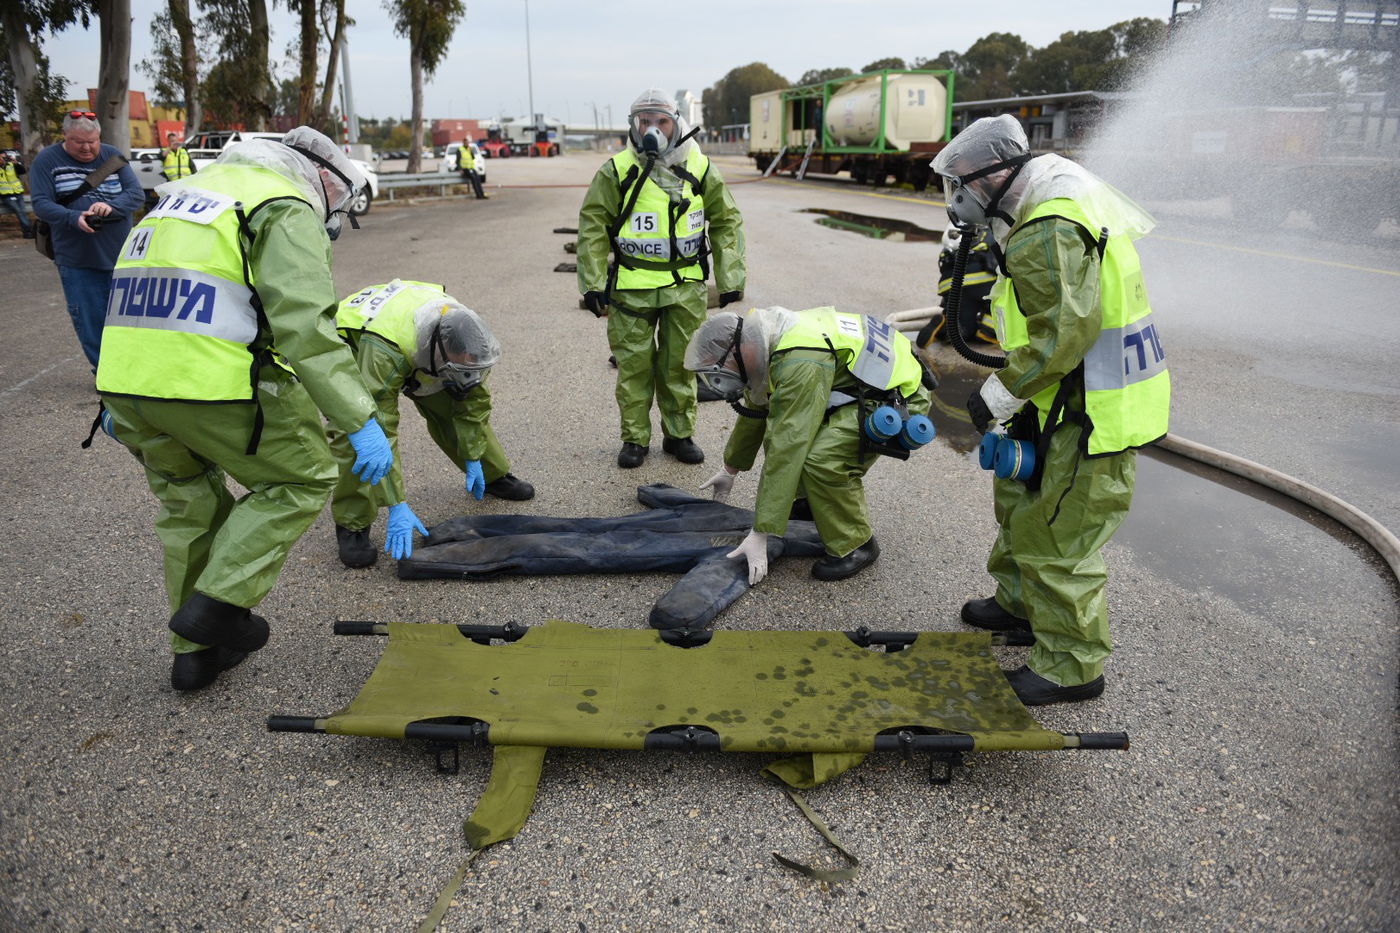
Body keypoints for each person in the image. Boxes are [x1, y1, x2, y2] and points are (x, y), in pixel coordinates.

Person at [95, 126, 394, 692]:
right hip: (205, 382)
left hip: (127, 382)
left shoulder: (186, 194)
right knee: (301, 479)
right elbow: (306, 328)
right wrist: (360, 419)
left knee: (188, 507)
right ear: (323, 177)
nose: (333, 217)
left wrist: (120, 387)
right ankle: (217, 607)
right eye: (338, 202)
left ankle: (195, 657)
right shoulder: (281, 203)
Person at [930, 114, 1170, 706]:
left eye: (960, 181)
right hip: (1058, 396)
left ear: (996, 172)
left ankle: (1070, 666)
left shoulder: (1046, 226)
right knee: (1019, 501)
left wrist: (999, 393)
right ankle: (1019, 606)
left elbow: (1064, 331)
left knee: (1059, 536)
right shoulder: (1042, 194)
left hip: (1090, 409)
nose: (956, 195)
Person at [684, 305, 931, 585]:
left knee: (821, 459)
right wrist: (730, 469)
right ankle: (810, 504)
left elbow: (788, 446)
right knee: (788, 433)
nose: (721, 376)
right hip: (864, 386)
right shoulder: (767, 338)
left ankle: (856, 544)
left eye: (721, 365)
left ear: (739, 350)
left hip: (898, 397)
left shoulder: (798, 361)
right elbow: (758, 411)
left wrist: (760, 532)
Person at [577, 88, 746, 469]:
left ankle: (679, 435)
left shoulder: (700, 168)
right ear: (634, 126)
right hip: (631, 289)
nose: (653, 128)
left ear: (676, 124)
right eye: (645, 121)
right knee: (634, 367)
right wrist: (591, 283)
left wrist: (730, 274)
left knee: (680, 366)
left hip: (684, 288)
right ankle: (635, 439)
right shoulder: (617, 170)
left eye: (661, 121)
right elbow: (592, 225)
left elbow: (726, 221)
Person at [329, 279, 535, 568]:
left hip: (415, 341)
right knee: (359, 433)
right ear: (439, 351)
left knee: (455, 400)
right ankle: (353, 522)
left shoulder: (467, 336)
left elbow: (473, 403)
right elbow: (380, 426)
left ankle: (492, 474)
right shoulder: (387, 351)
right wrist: (396, 503)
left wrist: (474, 454)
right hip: (359, 343)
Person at [28, 110, 145, 369]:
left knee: (129, 318)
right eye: (79, 142)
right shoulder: (47, 160)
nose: (88, 148)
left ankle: (132, 367)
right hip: (78, 258)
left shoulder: (112, 155)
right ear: (65, 136)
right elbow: (42, 204)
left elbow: (136, 194)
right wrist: (73, 217)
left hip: (121, 256)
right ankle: (105, 372)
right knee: (90, 319)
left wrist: (111, 206)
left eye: (93, 141)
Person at [916, 221, 998, 349]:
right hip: (981, 280)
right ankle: (987, 330)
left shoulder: (959, 222)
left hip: (951, 281)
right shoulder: (993, 229)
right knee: (1002, 305)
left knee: (960, 322)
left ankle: (945, 326)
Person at [0, 150, 36, 238]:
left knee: (22, 211)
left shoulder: (12, 165)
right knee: (19, 212)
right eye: (2, 157)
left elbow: (23, 171)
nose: (5, 158)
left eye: (6, 156)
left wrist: (16, 162)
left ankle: (28, 232)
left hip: (18, 193)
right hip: (6, 195)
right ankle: (29, 231)